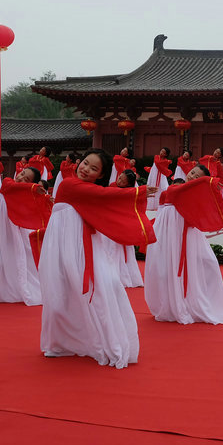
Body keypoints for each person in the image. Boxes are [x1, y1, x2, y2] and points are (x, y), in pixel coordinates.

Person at [39, 149, 156, 367]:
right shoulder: (68, 185)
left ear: (100, 176)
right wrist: (135, 193)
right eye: (85, 163)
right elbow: (104, 195)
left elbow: (106, 198)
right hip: (61, 244)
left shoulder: (90, 192)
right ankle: (61, 342)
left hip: (83, 245)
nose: (85, 169)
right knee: (59, 291)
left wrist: (135, 193)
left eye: (93, 169)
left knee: (94, 289)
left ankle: (93, 339)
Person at [144, 164, 223, 324]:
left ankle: (190, 301)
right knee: (165, 267)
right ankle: (171, 304)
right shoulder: (175, 188)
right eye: (192, 172)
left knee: (206, 263)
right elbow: (166, 203)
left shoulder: (195, 195)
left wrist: (207, 183)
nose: (192, 176)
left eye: (197, 177)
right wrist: (206, 180)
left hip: (188, 234)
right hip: (168, 232)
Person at [0, 166, 50, 305]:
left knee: (18, 257)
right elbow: (10, 186)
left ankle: (19, 288)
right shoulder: (8, 183)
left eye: (26, 179)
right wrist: (32, 188)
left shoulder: (24, 195)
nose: (20, 177)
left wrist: (44, 199)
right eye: (22, 173)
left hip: (15, 231)